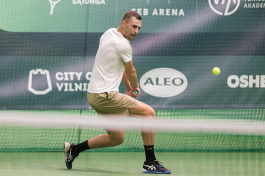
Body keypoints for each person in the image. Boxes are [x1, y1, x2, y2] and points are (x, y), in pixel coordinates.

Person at [64, 10, 171, 174]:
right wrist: (135, 87)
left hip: (93, 96)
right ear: (124, 23)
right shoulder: (124, 45)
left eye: (139, 28)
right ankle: (150, 162)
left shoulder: (108, 34)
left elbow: (117, 66)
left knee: (116, 138)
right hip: (105, 96)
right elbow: (131, 71)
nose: (136, 31)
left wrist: (128, 87)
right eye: (133, 26)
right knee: (149, 113)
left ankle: (74, 149)